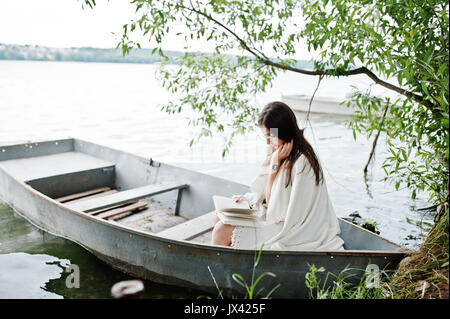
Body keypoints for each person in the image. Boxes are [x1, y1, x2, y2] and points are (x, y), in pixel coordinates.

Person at [211, 101, 345, 251]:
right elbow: (265, 195)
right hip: (277, 215)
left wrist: (274, 166)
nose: (268, 141)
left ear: (284, 131)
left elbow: (273, 207)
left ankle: (223, 271)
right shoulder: (282, 151)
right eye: (265, 136)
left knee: (221, 230)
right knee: (218, 216)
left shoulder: (301, 162)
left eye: (270, 136)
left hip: (290, 228)